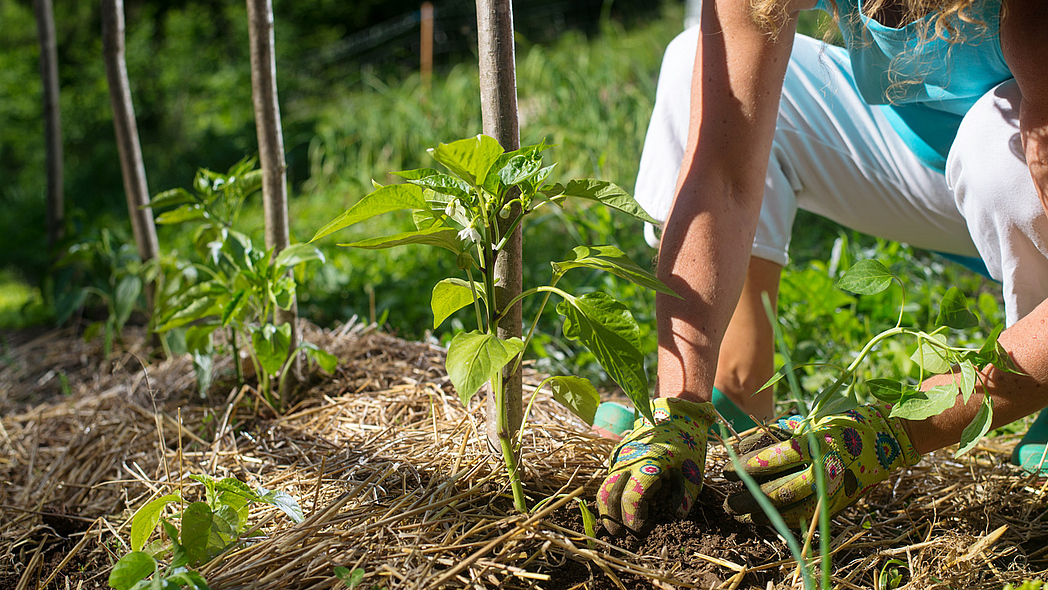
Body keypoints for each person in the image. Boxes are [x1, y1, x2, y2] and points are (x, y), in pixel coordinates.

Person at [596, 0, 1048, 535]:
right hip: (923, 156)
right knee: (694, 62)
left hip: (1014, 169)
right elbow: (722, 172)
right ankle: (735, 389)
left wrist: (894, 430)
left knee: (996, 152)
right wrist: (679, 403)